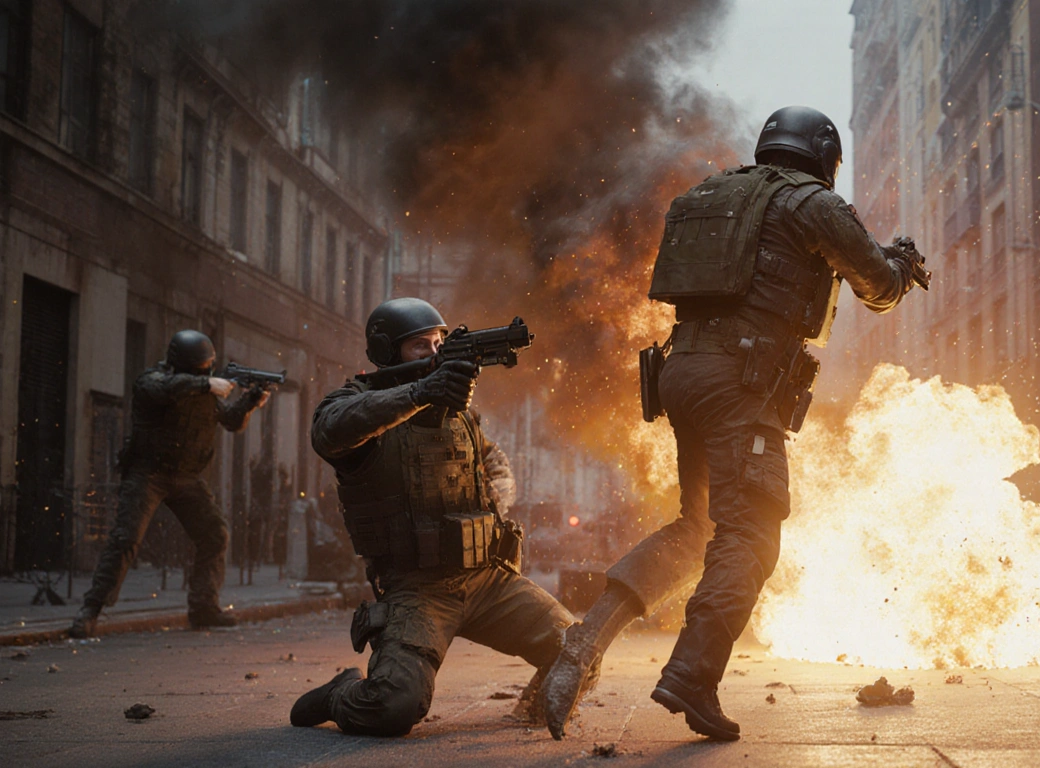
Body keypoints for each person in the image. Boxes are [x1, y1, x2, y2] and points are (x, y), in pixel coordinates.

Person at [542, 106, 929, 741]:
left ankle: (587, 637)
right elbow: (877, 285)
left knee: (698, 527)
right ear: (824, 155)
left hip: (682, 373)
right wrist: (901, 266)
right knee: (750, 535)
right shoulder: (813, 203)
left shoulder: (712, 192)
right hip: (739, 386)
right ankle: (692, 676)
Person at [290, 298, 583, 737]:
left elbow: (495, 462)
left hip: (488, 580)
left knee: (580, 650)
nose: (434, 353)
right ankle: (341, 692)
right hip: (419, 588)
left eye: (439, 342)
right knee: (392, 707)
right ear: (388, 353)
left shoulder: (460, 412)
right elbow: (327, 429)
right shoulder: (361, 402)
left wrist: (492, 501)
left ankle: (533, 708)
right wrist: (417, 394)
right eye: (420, 347)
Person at [69, 330, 271, 638]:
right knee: (125, 540)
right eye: (201, 369)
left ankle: (204, 607)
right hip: (148, 474)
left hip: (187, 477)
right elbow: (163, 389)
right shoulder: (154, 380)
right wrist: (207, 384)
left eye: (208, 368)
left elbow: (231, 420)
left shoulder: (204, 390)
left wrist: (252, 400)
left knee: (216, 534)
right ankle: (90, 611)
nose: (206, 372)